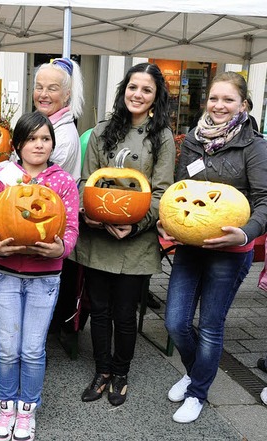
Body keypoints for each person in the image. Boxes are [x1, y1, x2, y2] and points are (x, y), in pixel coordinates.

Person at [158, 72, 267, 423]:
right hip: (191, 244)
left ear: (243, 105)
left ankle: (198, 392)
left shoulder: (254, 146)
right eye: (214, 98)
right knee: (175, 322)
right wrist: (168, 220)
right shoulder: (193, 140)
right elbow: (180, 188)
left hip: (231, 251)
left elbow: (265, 199)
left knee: (210, 325)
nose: (219, 106)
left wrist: (246, 233)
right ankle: (196, 372)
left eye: (228, 99)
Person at [71, 62, 175, 407]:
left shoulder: (161, 138)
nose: (138, 94)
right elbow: (88, 182)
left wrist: (136, 225)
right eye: (133, 87)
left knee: (124, 311)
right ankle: (101, 371)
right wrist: (94, 218)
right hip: (99, 237)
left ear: (156, 97)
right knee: (99, 309)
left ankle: (121, 373)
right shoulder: (102, 132)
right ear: (124, 90)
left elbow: (162, 193)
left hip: (137, 242)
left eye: (146, 90)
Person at [0, 112, 79, 441]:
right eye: (32, 139)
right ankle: (6, 405)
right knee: (8, 348)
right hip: (5, 276)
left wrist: (61, 250)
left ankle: (27, 409)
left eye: (45, 139)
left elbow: (71, 230)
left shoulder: (63, 182)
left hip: (45, 278)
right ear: (18, 144)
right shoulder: (1, 178)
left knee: (33, 349)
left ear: (53, 144)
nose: (39, 145)